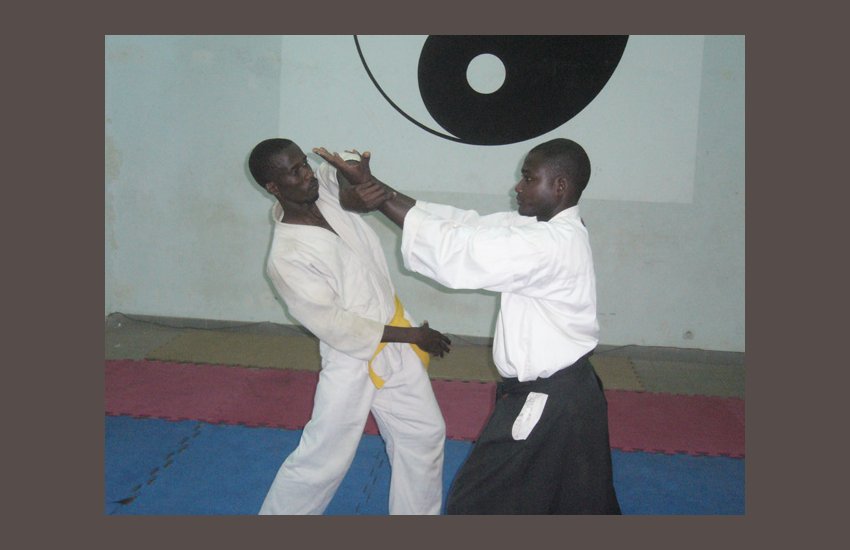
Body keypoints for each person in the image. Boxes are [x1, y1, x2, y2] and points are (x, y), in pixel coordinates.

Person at [315, 138, 621, 514]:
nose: (518, 187)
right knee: (574, 507)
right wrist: (377, 187)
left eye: (529, 178)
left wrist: (378, 201)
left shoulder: (548, 244)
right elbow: (461, 225)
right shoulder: (545, 228)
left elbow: (459, 251)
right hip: (571, 395)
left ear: (559, 186)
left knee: (477, 504)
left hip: (549, 401)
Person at [247, 138, 451, 515]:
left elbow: (343, 163)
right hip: (350, 358)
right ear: (273, 187)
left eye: (304, 164)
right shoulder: (286, 255)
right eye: (294, 172)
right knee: (324, 459)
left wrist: (349, 185)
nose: (306, 174)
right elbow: (335, 324)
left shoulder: (324, 193)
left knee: (424, 435)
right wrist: (414, 336)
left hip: (395, 341)